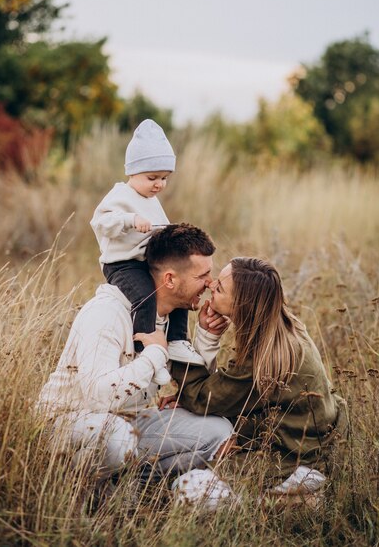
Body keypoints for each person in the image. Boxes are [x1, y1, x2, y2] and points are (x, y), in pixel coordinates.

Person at [36, 224, 234, 484]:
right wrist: (154, 354)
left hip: (129, 421)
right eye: (202, 276)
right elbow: (98, 397)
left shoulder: (170, 319)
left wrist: (207, 337)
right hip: (68, 424)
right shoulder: (107, 312)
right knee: (116, 437)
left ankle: (131, 483)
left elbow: (198, 390)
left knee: (219, 430)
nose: (210, 284)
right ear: (170, 279)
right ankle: (82, 489)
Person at [172, 257, 348, 494]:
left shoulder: (262, 357)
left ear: (241, 305)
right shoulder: (284, 326)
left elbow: (200, 399)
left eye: (220, 288)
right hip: (313, 446)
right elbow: (246, 402)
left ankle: (279, 502)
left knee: (186, 487)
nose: (211, 285)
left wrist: (178, 342)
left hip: (293, 460)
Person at [90, 118, 204, 385]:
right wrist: (129, 220)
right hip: (122, 264)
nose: (158, 185)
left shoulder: (152, 201)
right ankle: (145, 352)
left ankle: (176, 339)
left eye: (164, 178)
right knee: (146, 296)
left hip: (145, 261)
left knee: (179, 286)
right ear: (132, 172)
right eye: (152, 178)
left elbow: (159, 229)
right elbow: (100, 222)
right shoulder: (120, 196)